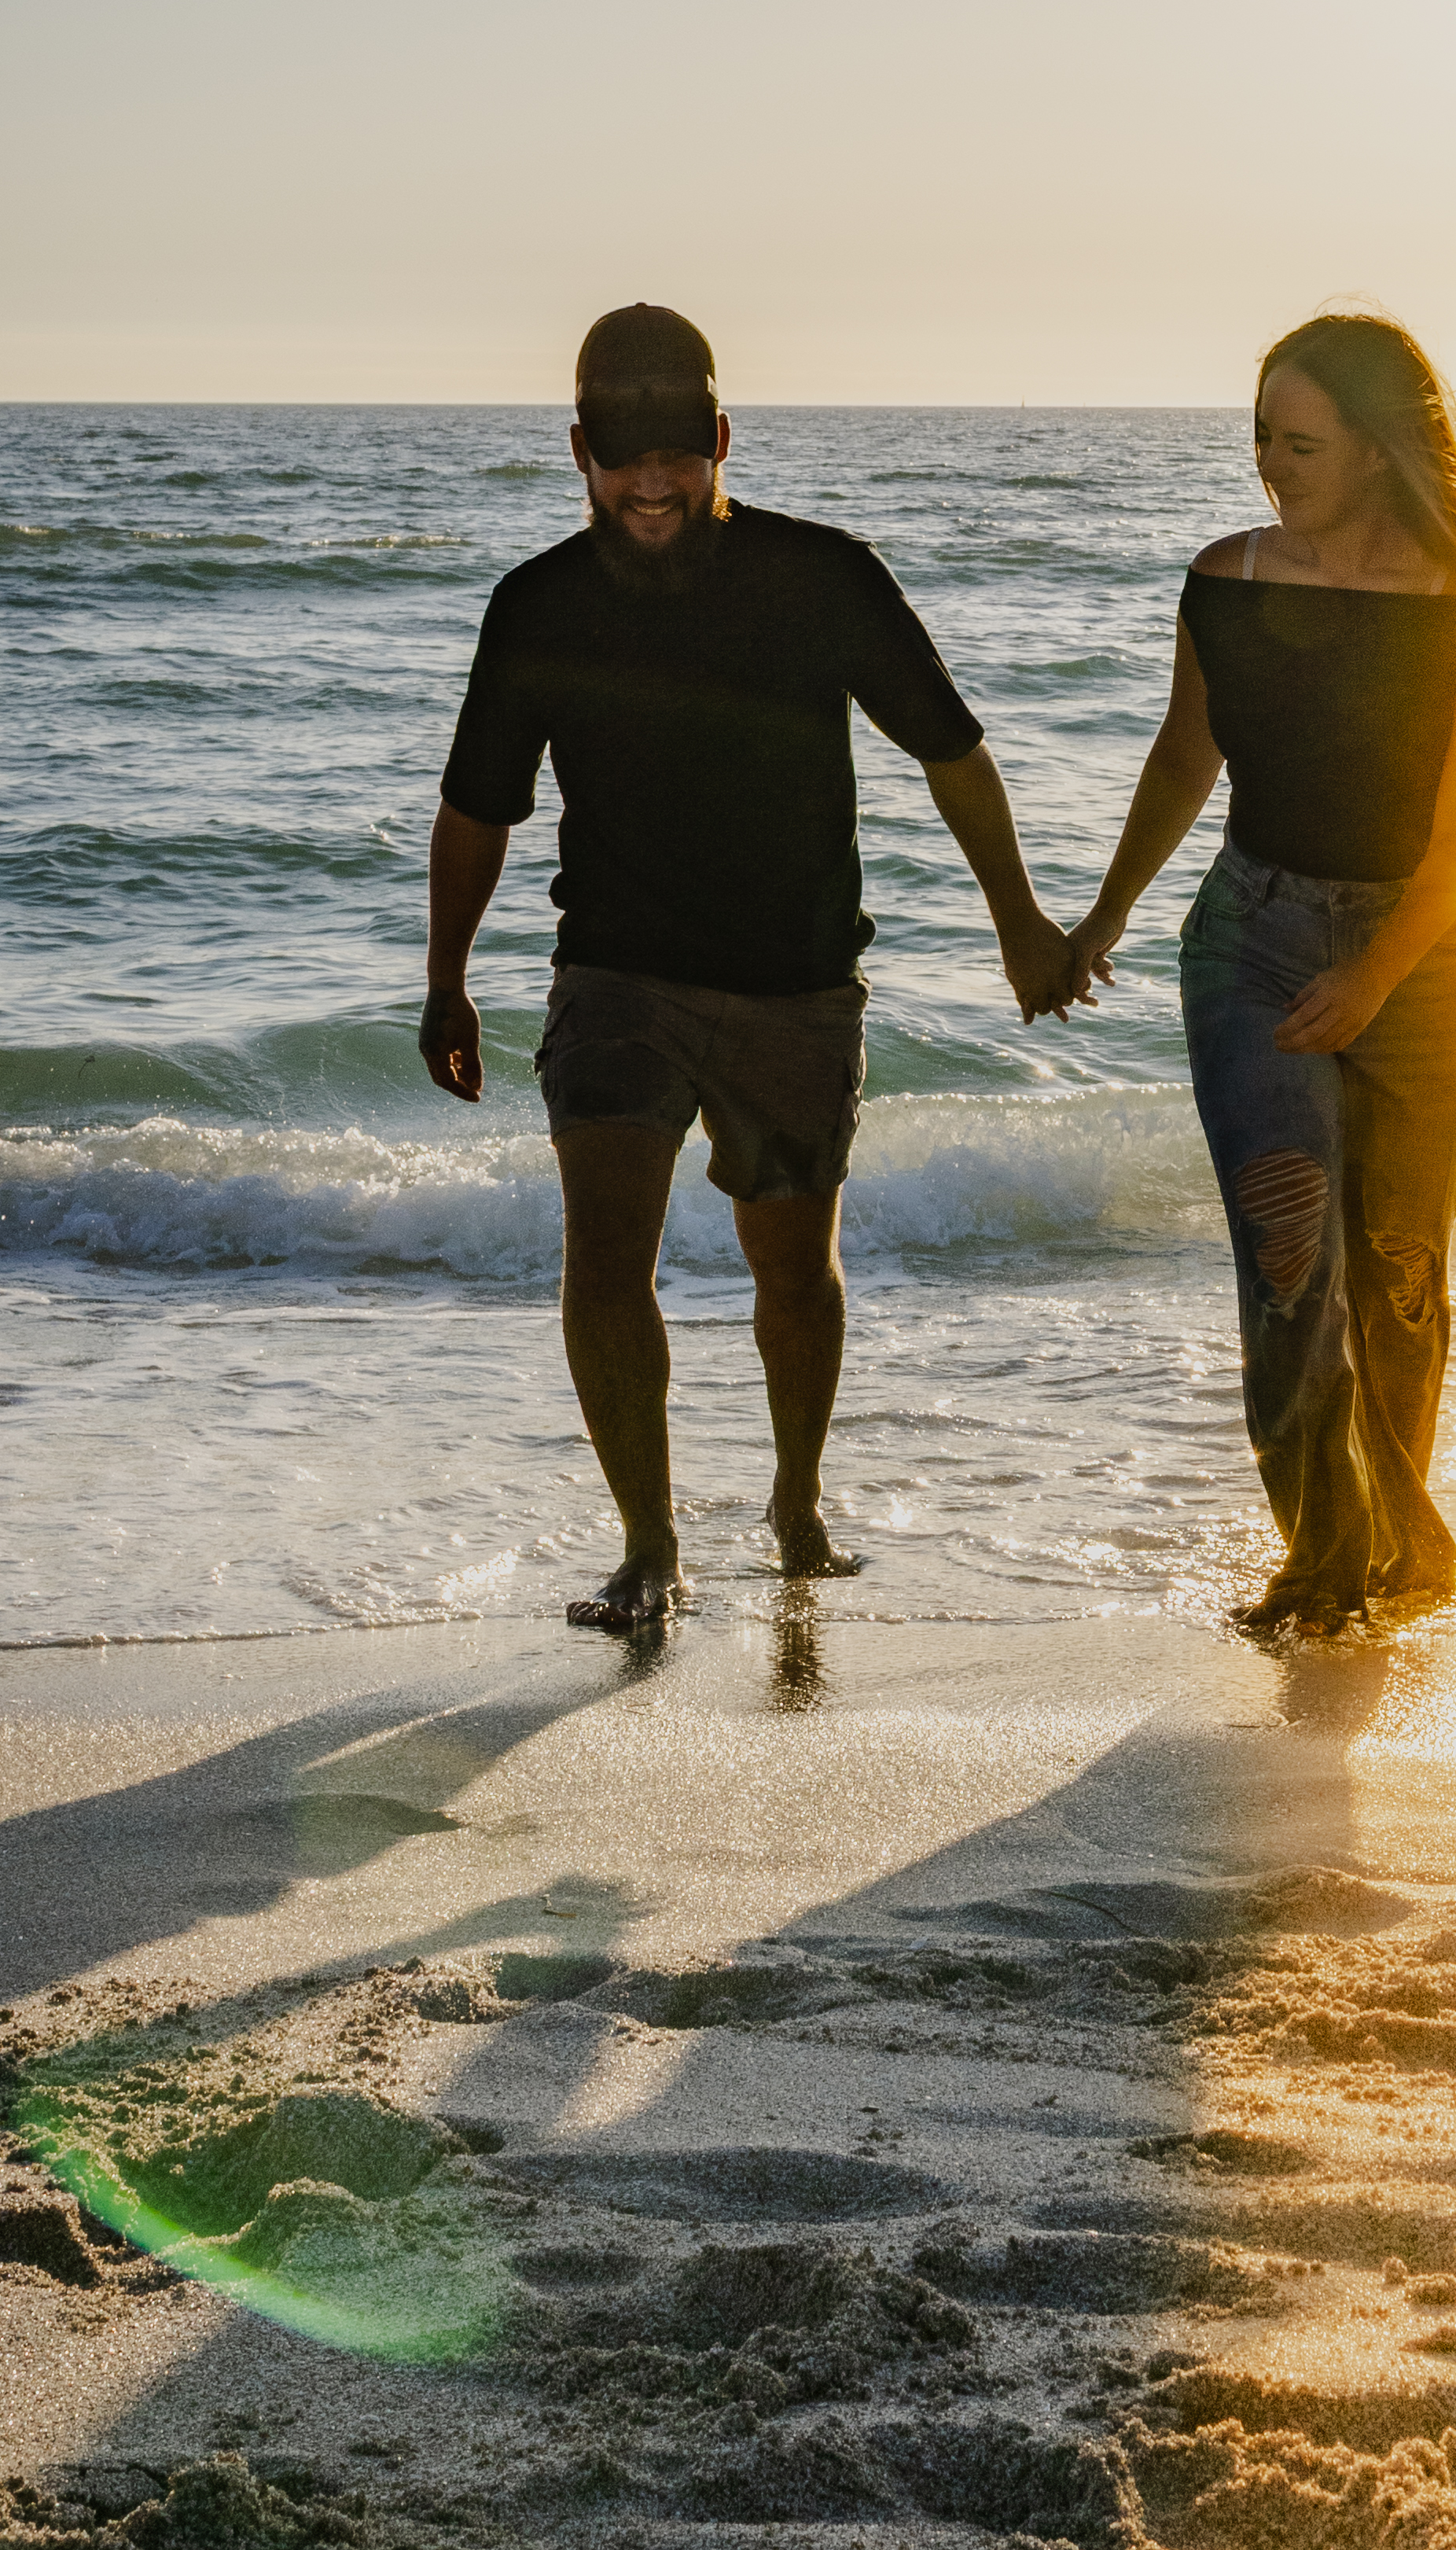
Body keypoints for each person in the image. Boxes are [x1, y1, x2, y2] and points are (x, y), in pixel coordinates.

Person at [421, 304, 1077, 1628]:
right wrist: (448, 977)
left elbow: (951, 750)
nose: (652, 482)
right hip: (617, 978)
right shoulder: (538, 607)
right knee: (607, 1255)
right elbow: (476, 809)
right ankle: (649, 1546)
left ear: (721, 440)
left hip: (797, 983)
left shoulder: (823, 577)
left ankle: (797, 1507)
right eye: (623, 454)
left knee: (792, 1265)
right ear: (580, 451)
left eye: (678, 451)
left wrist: (1018, 921)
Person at [1065, 313, 1456, 1632]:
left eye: (1299, 444)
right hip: (1252, 940)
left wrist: (1370, 982)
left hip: (1421, 961)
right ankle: (1320, 1556)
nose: (1270, 465)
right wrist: (1104, 915)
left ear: (1377, 447)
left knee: (1401, 1272)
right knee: (1291, 1253)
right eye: (1260, 438)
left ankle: (1402, 1547)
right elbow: (1183, 758)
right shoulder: (1225, 583)